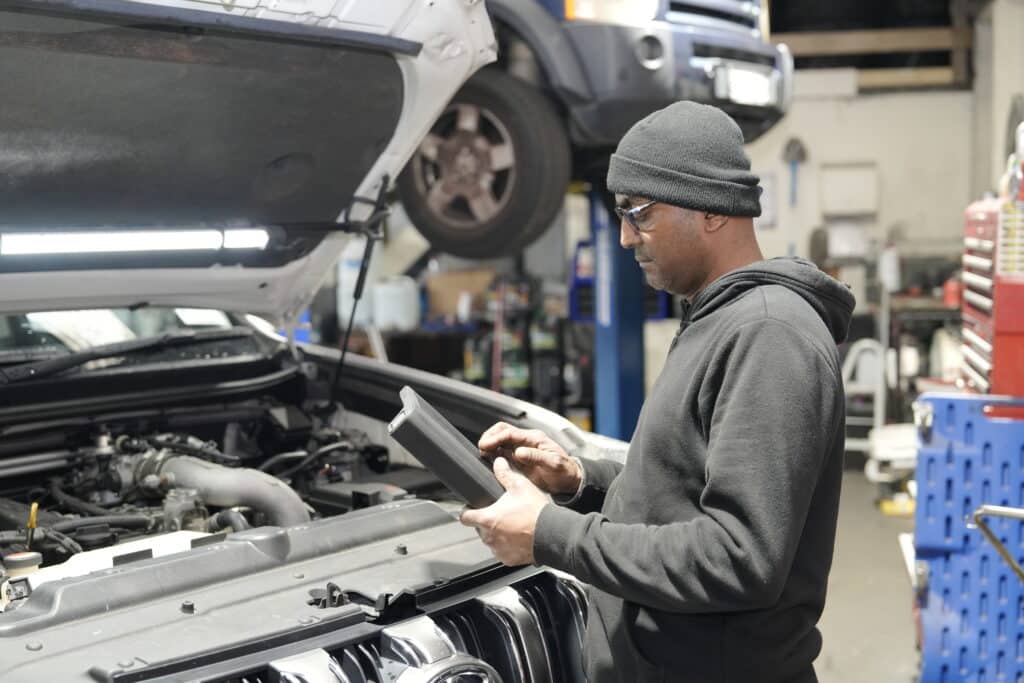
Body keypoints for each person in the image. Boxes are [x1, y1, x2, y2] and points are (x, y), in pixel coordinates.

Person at [460, 101, 855, 683]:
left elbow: (739, 559)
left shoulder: (768, 335)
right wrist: (579, 482)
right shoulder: (718, 319)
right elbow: (685, 494)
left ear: (711, 211)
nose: (624, 237)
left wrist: (551, 535)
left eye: (637, 214)